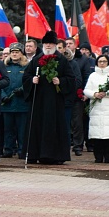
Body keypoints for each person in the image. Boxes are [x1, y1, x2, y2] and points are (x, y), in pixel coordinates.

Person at [21, 31, 75, 164]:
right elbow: (26, 76)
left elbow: (71, 79)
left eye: (51, 43)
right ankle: (34, 154)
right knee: (36, 125)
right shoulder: (37, 59)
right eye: (46, 43)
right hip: (38, 100)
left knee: (54, 126)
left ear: (55, 45)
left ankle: (55, 156)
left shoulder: (62, 60)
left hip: (55, 101)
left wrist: (60, 81)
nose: (48, 46)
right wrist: (32, 80)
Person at [84, 55, 109, 163]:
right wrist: (95, 94)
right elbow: (86, 90)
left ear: (108, 62)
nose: (102, 63)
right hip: (96, 108)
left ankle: (108, 157)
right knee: (97, 136)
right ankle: (98, 157)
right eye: (100, 61)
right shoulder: (93, 76)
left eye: (104, 61)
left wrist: (106, 93)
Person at [0, 42, 28, 158]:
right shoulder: (4, 66)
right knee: (8, 129)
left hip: (22, 103)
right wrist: (3, 96)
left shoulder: (26, 67)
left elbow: (29, 81)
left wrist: (22, 89)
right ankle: (8, 150)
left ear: (22, 54)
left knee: (22, 130)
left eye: (17, 52)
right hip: (8, 103)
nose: (14, 54)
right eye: (13, 52)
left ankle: (22, 150)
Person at [65, 37, 91, 156]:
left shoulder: (83, 60)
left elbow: (86, 77)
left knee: (77, 122)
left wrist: (84, 92)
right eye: (66, 44)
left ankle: (78, 146)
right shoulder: (62, 58)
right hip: (64, 94)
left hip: (77, 94)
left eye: (70, 43)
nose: (68, 45)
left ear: (75, 45)